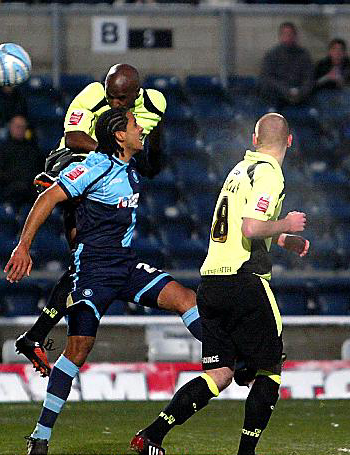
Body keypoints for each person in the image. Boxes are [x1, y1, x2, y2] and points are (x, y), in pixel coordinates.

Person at [5, 108, 199, 455]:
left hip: (124, 267)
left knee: (185, 298)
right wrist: (23, 247)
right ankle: (41, 436)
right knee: (77, 350)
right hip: (92, 271)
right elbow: (48, 197)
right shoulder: (96, 166)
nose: (141, 129)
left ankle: (226, 356)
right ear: (120, 136)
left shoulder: (129, 166)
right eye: (135, 126)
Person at [130, 113, 310, 455]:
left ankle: (151, 435)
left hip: (211, 283)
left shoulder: (239, 171)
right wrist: (287, 223)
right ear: (289, 140)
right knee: (268, 373)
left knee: (220, 373)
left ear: (254, 139)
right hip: (245, 281)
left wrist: (284, 239)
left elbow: (242, 224)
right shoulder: (270, 173)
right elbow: (251, 228)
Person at [14, 64, 202, 377]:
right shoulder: (91, 94)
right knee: (83, 254)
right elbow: (74, 137)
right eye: (109, 95)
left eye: (119, 99)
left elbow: (149, 161)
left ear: (134, 95)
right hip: (77, 165)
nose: (112, 102)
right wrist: (111, 151)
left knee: (81, 265)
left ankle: (34, 335)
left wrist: (136, 151)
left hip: (114, 178)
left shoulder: (155, 104)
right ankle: (61, 183)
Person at [0, 115, 43, 207]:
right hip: (8, 188)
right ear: (11, 127)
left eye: (23, 127)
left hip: (30, 188)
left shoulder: (32, 149)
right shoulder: (1, 148)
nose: (20, 130)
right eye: (18, 127)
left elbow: (39, 169)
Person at [259, 22, 314, 108]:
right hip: (277, 97)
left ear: (295, 36)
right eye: (285, 34)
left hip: (300, 97)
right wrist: (285, 90)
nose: (288, 37)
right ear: (280, 36)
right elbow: (267, 77)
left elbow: (309, 78)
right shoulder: (272, 55)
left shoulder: (304, 55)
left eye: (290, 34)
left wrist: (300, 91)